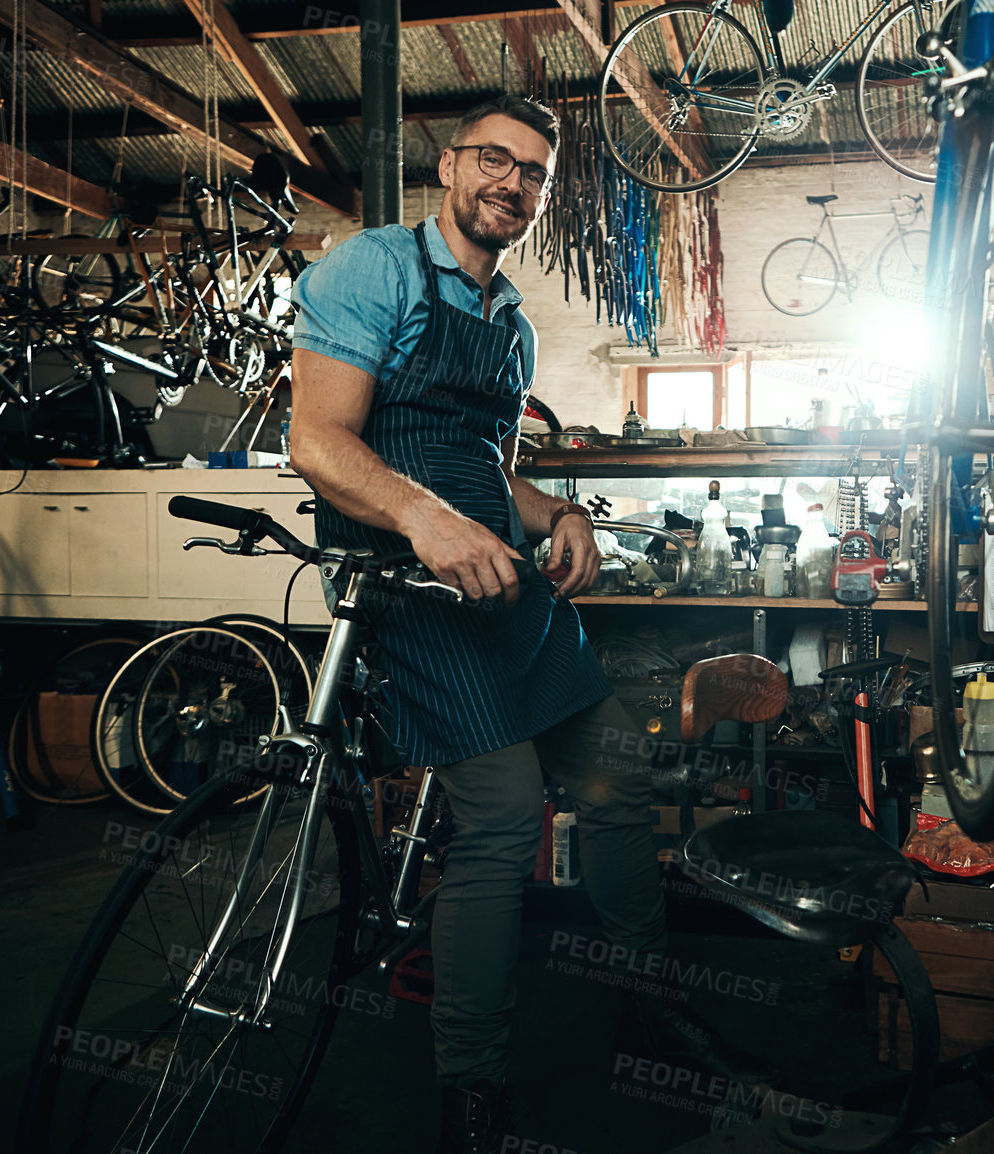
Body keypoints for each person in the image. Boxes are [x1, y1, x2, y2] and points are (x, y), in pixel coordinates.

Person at [289, 95, 770, 1154]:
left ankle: (646, 997)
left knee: (614, 781)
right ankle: (473, 1081)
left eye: (533, 173)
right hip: (413, 596)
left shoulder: (508, 319)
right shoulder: (372, 268)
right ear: (450, 165)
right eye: (494, 160)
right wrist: (424, 517)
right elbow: (318, 440)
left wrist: (558, 513)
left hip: (509, 591)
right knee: (504, 819)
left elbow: (492, 475)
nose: (512, 182)